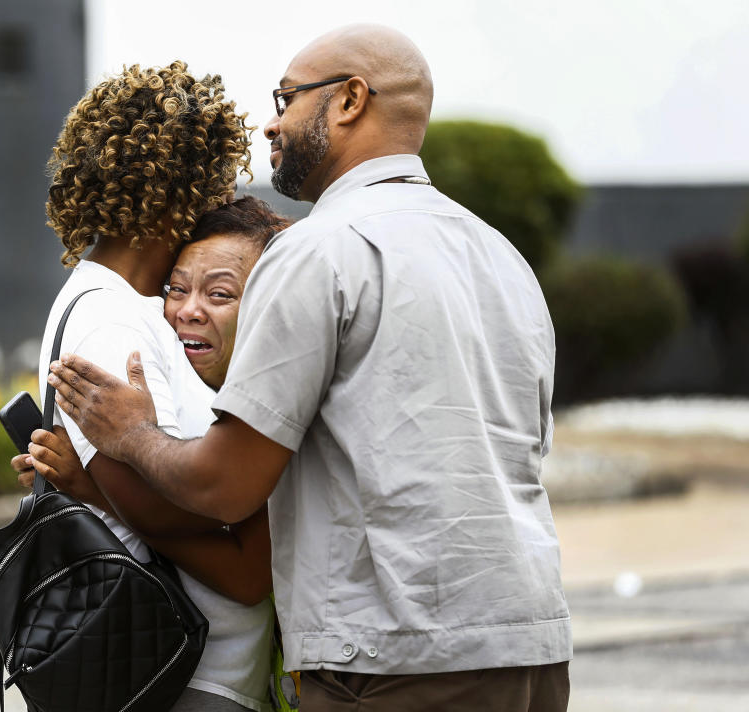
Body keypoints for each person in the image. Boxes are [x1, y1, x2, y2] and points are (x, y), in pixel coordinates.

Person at [45, 25, 572, 712]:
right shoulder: (500, 256)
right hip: (531, 648)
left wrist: (131, 434)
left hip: (393, 661)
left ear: (350, 100)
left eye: (286, 98)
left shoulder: (319, 250)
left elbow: (228, 486)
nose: (271, 123)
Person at [31, 62, 277, 712]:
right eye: (216, 180)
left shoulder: (125, 307)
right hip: (189, 677)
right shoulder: (111, 324)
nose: (224, 198)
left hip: (197, 669)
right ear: (179, 189)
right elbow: (201, 533)